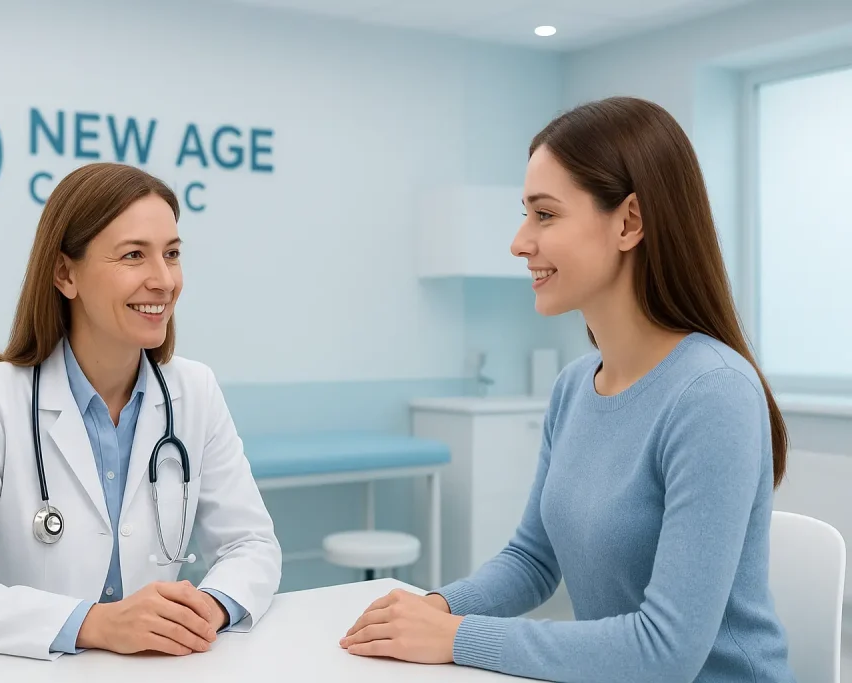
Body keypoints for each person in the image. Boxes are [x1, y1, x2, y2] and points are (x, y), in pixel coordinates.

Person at [341, 96, 795, 682]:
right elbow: (533, 560)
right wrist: (436, 608)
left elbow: (666, 651)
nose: (519, 241)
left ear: (629, 221)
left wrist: (457, 637)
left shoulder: (713, 395)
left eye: (545, 215)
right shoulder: (575, 387)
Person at [0, 162, 282, 661]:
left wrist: (206, 609)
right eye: (134, 256)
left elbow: (252, 544)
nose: (164, 280)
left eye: (171, 254)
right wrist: (96, 623)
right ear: (65, 273)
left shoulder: (195, 391)